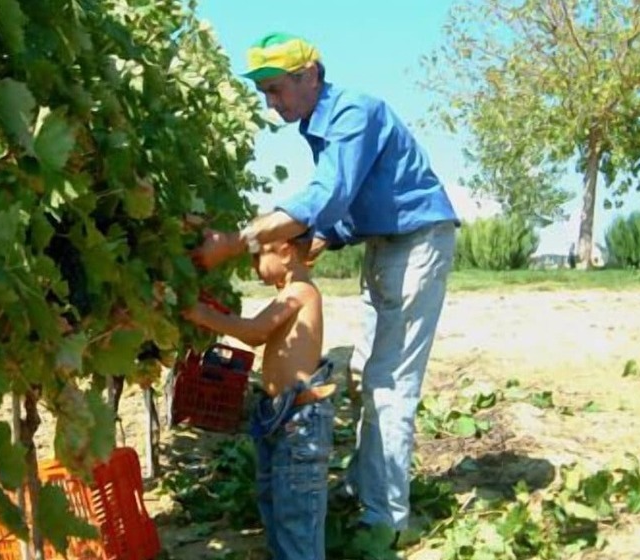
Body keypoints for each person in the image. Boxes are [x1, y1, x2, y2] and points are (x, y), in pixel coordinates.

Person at [192, 32, 459, 534]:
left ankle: (386, 521)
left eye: (276, 90)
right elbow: (343, 207)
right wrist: (320, 239)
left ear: (309, 74)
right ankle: (365, 488)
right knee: (364, 374)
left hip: (417, 242)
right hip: (385, 244)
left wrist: (237, 241)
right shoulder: (321, 126)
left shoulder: (353, 114)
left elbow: (328, 193)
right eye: (265, 94)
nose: (271, 104)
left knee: (390, 384)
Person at [184, 235, 335, 560]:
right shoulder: (288, 293)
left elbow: (254, 331)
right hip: (279, 417)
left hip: (301, 424)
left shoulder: (301, 291)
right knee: (276, 506)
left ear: (286, 250)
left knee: (296, 517)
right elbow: (256, 334)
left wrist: (202, 314)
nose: (253, 266)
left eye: (257, 257)